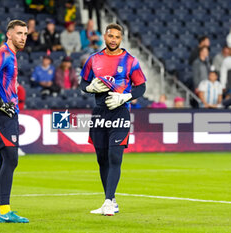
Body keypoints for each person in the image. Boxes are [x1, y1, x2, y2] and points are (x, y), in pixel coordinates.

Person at [80, 23, 146, 216]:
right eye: (110, 36)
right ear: (105, 37)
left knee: (115, 156)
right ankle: (110, 200)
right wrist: (90, 87)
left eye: (117, 37)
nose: (113, 40)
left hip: (120, 111)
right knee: (101, 159)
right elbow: (83, 83)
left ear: (121, 39)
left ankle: (108, 201)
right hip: (100, 112)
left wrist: (126, 96)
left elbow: (141, 87)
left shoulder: (130, 61)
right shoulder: (94, 59)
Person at [0, 20, 29, 223]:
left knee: (5, 159)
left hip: (8, 111)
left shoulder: (11, 54)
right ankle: (4, 210)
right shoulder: (3, 53)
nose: (23, 37)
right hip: (2, 112)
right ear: (9, 34)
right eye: (19, 33)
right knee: (12, 159)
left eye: (25, 33)